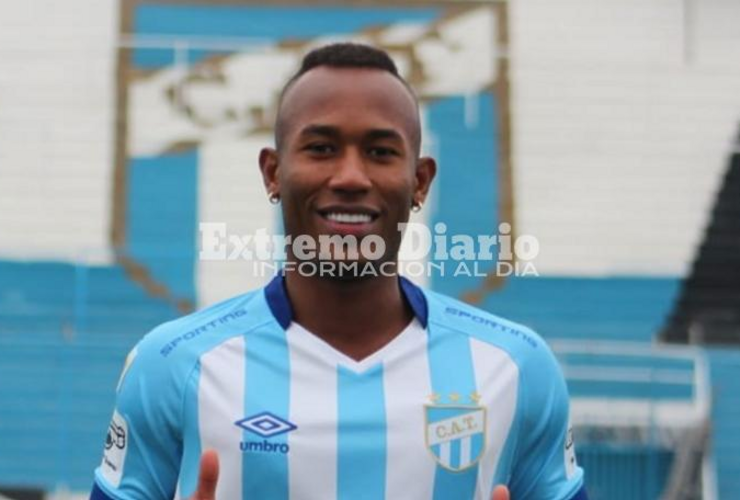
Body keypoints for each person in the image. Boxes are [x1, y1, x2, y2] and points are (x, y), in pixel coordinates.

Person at [90, 43, 587, 500]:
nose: (350, 177)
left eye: (380, 152)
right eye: (322, 148)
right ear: (273, 173)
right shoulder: (174, 365)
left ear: (420, 181)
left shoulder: (516, 368)